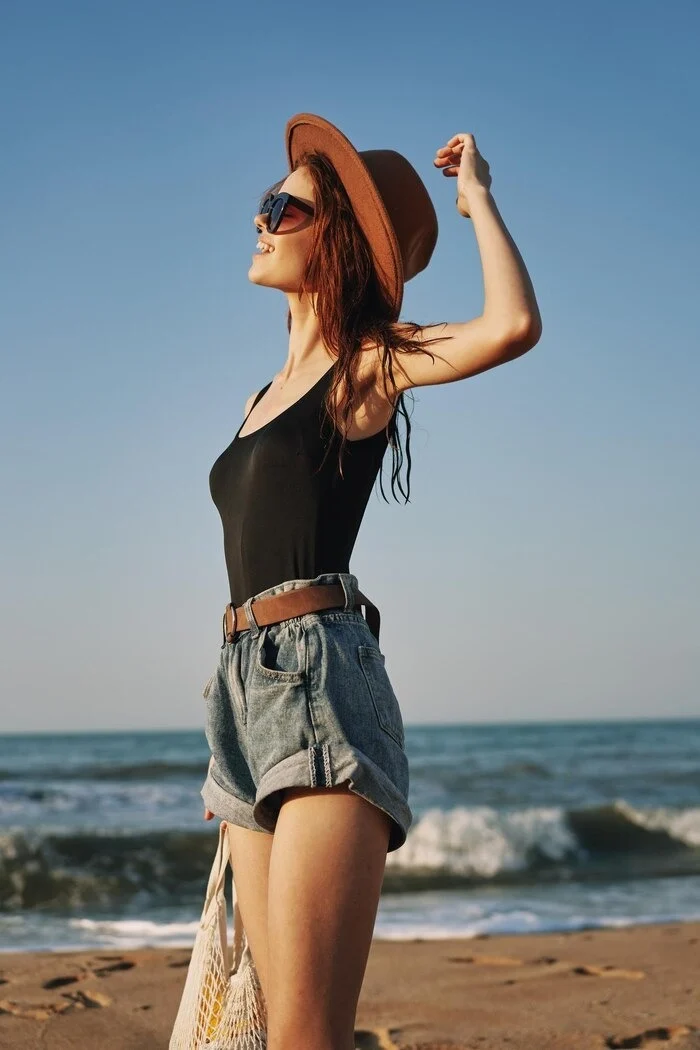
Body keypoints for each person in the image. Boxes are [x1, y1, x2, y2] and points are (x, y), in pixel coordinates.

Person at [198, 112, 542, 1050]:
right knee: (278, 1033)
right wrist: (226, 731)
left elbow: (511, 326)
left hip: (322, 684)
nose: (261, 221)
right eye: (266, 205)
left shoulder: (366, 368)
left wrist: (476, 202)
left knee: (308, 1035)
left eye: (284, 208)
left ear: (336, 237)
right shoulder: (260, 396)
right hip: (247, 691)